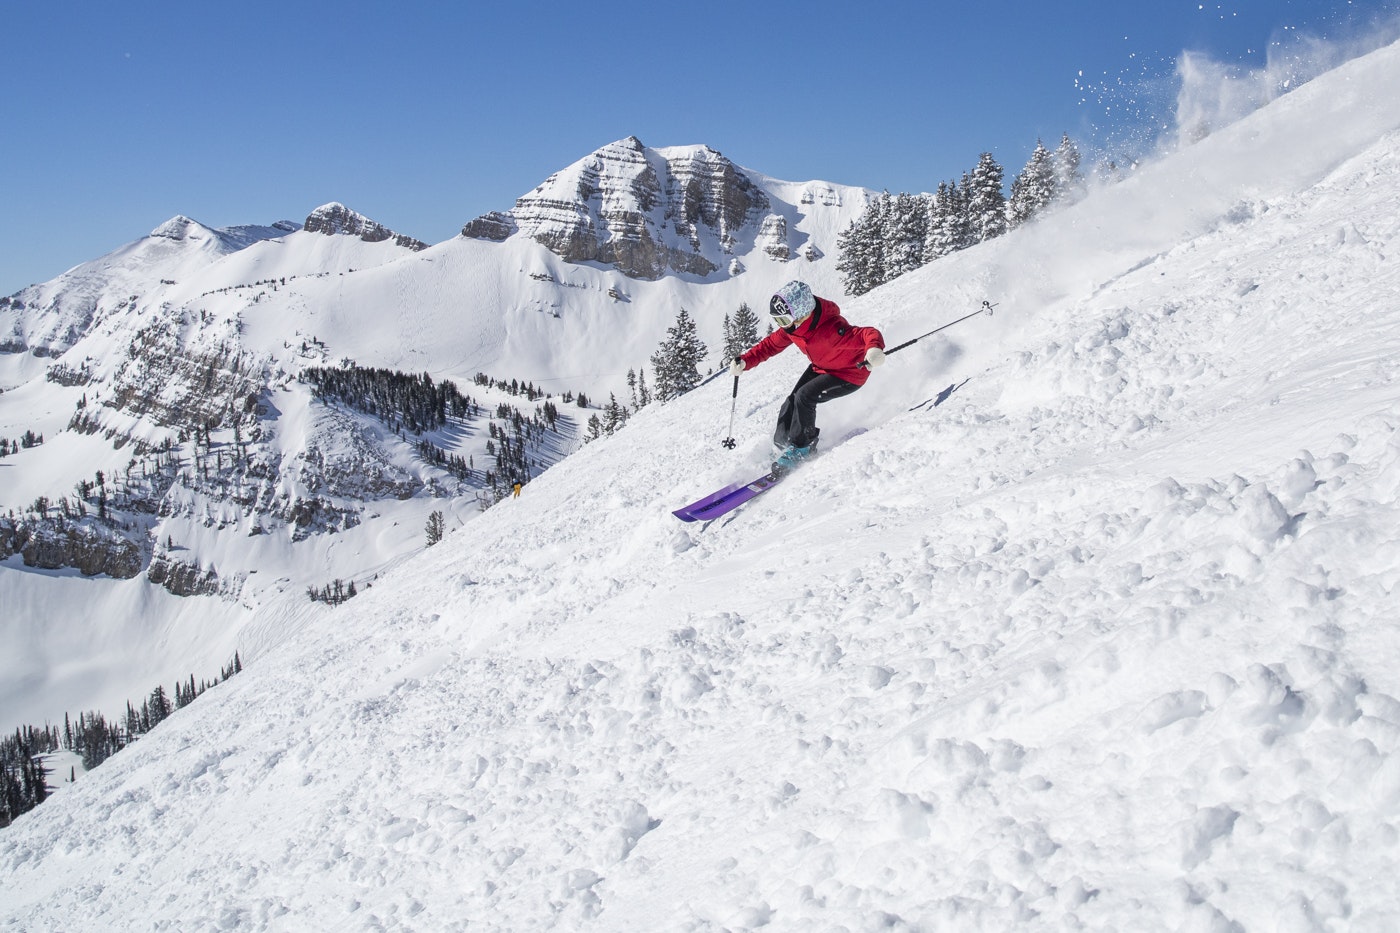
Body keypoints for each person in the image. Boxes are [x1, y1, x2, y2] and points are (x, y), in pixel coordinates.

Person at [729, 280, 885, 472]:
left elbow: (867, 334)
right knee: (791, 401)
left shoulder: (832, 329)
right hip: (822, 367)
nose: (781, 326)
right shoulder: (793, 329)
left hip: (849, 373)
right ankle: (782, 445)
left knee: (805, 397)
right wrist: (745, 361)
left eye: (783, 320)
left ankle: (803, 447)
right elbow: (770, 346)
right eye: (777, 320)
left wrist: (874, 349)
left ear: (802, 314)